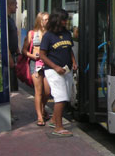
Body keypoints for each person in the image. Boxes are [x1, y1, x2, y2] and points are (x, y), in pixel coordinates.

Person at [40, 9, 78, 137]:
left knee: (66, 96)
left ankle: (53, 120)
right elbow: (42, 55)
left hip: (66, 70)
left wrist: (73, 61)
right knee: (61, 97)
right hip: (53, 71)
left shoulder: (66, 33)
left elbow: (69, 50)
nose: (66, 21)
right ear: (57, 20)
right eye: (63, 19)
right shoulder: (48, 36)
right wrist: (55, 67)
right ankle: (58, 128)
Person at [22, 12, 51, 126]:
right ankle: (40, 117)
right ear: (39, 20)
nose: (47, 22)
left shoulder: (50, 33)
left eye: (48, 19)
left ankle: (43, 109)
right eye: (45, 19)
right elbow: (24, 50)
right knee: (38, 92)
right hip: (36, 64)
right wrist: (32, 56)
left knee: (47, 92)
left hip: (47, 64)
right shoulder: (32, 33)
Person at [7, 0, 19, 91]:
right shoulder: (5, 20)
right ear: (10, 5)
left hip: (13, 54)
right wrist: (9, 57)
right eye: (15, 5)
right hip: (10, 56)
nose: (16, 7)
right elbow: (5, 40)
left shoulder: (10, 19)